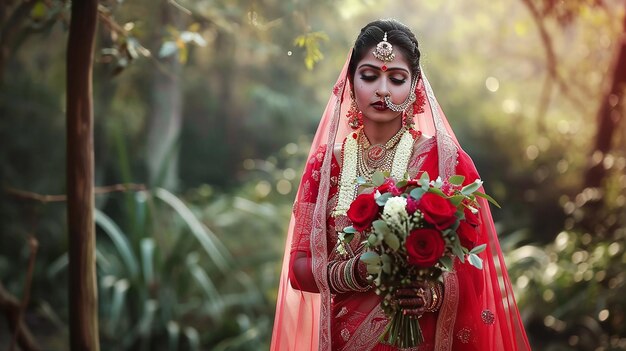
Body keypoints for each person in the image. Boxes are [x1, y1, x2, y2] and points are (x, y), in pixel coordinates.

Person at [271, 19, 531, 351]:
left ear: (415, 85)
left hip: (422, 338)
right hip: (344, 340)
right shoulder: (324, 167)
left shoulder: (447, 162)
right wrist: (354, 272)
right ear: (350, 82)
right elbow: (298, 269)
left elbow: (472, 276)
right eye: (369, 76)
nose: (382, 90)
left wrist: (430, 295)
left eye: (396, 79)